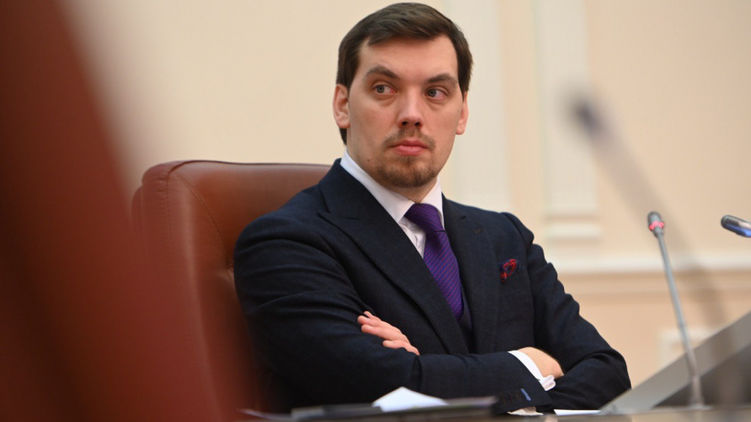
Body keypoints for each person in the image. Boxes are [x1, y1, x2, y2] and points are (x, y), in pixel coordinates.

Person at [234, 2, 630, 412]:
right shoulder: (286, 242)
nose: (411, 115)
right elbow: (379, 384)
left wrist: (429, 372)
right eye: (384, 89)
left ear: (462, 113)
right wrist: (533, 363)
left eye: (435, 92)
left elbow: (608, 374)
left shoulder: (504, 237)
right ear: (342, 105)